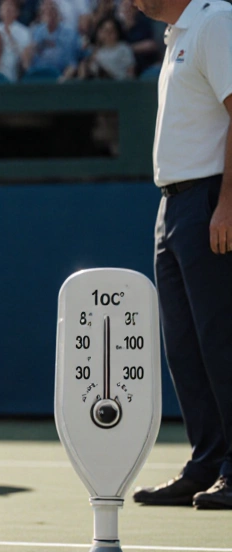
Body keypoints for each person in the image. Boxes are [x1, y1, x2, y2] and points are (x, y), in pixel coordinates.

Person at [130, 0, 232, 510]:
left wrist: (228, 204)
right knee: (184, 346)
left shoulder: (215, 21)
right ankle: (208, 462)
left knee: (221, 339)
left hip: (210, 199)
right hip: (171, 204)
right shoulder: (176, 37)